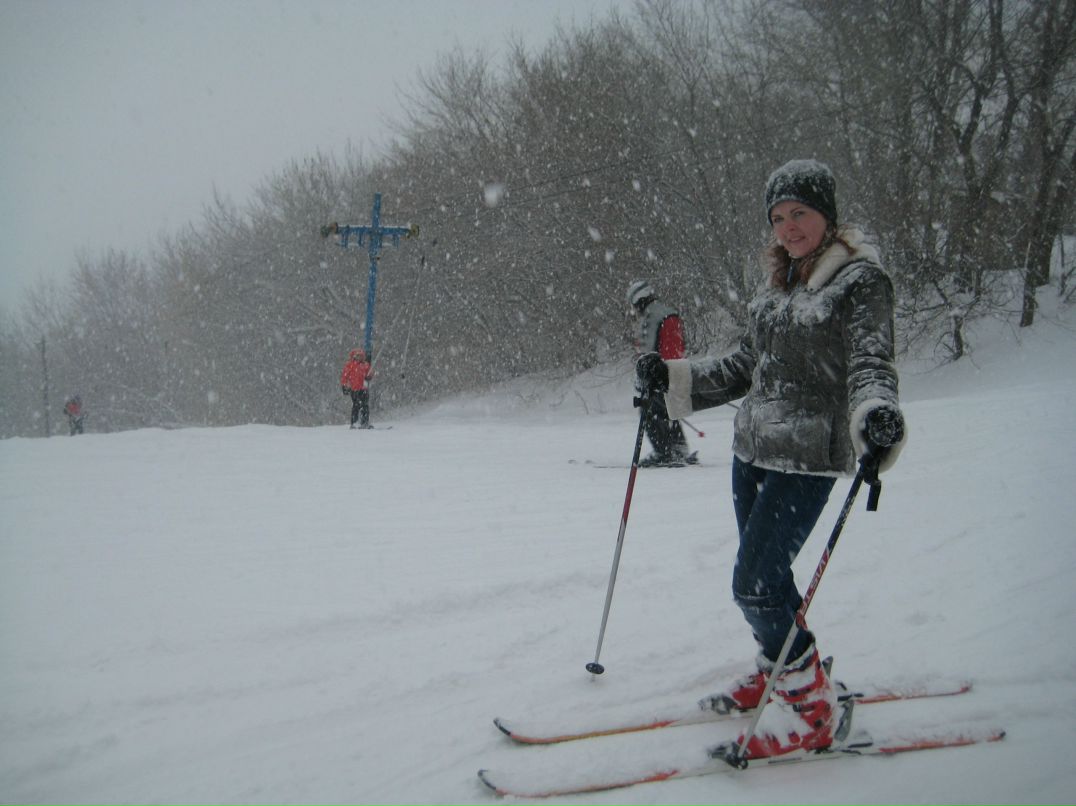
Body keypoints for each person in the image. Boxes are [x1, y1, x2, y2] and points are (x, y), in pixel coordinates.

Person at [634, 159, 907, 759]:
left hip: (807, 457)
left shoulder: (860, 282)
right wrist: (670, 377)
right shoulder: (775, 289)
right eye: (779, 218)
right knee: (770, 580)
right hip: (752, 451)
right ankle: (779, 665)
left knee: (754, 586)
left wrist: (876, 415)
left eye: (799, 214)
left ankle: (813, 711)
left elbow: (870, 365)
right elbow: (740, 368)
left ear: (827, 216)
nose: (788, 227)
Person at [626, 280, 694, 467]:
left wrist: (662, 371)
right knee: (665, 409)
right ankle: (678, 447)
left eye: (634, 304)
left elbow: (669, 347)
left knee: (651, 410)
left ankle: (665, 452)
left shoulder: (657, 316)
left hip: (662, 373)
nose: (634, 309)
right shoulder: (657, 313)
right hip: (664, 371)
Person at [340, 348, 374, 429]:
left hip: (364, 389)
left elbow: (370, 373)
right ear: (354, 356)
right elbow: (344, 376)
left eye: (361, 356)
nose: (360, 357)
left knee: (365, 405)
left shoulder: (365, 364)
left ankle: (364, 422)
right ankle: (354, 422)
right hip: (354, 389)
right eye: (358, 356)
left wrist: (369, 376)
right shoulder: (350, 365)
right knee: (356, 405)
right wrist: (344, 386)